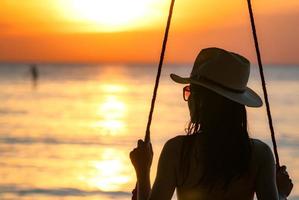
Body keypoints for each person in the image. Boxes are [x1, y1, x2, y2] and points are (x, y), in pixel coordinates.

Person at [130, 47, 293, 200]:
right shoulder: (259, 155)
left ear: (202, 101)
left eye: (190, 91)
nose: (188, 99)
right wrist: (281, 194)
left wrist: (143, 172)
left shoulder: (177, 151)